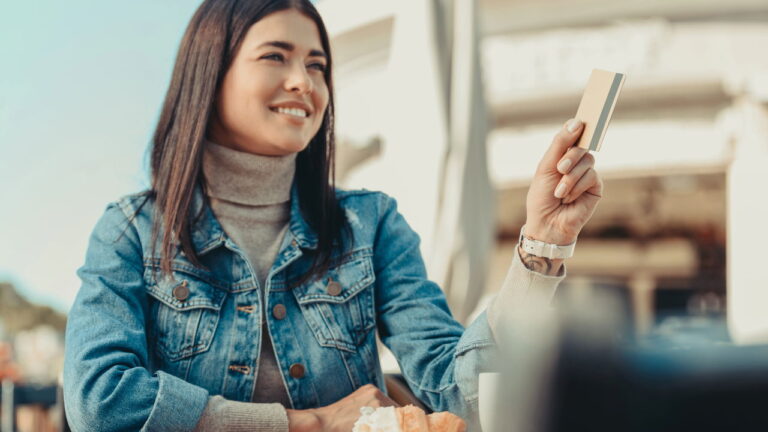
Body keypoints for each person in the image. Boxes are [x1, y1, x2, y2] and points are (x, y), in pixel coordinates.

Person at [62, 0, 602, 431]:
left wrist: (541, 245)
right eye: (276, 56)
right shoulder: (132, 232)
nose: (305, 82)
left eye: (317, 64)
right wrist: (308, 423)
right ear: (212, 72)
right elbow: (100, 401)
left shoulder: (371, 225)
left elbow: (461, 391)